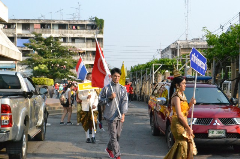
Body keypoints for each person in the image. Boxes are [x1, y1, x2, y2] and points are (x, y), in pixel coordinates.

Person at [164, 72, 197, 159]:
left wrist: (190, 104)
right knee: (182, 144)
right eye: (183, 83)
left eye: (185, 83)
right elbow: (179, 115)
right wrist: (188, 128)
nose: (185, 85)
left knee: (184, 146)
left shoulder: (182, 95)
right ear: (177, 85)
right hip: (178, 123)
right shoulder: (176, 97)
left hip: (183, 121)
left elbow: (184, 111)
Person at [99, 67, 128, 159]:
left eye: (118, 76)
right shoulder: (106, 89)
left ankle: (109, 148)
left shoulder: (123, 89)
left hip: (119, 116)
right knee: (114, 137)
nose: (117, 78)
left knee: (117, 136)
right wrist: (109, 98)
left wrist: (123, 115)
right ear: (111, 76)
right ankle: (117, 155)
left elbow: (125, 102)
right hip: (110, 116)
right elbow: (100, 101)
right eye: (115, 76)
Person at [78, 73, 98, 143]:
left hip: (93, 107)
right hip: (85, 107)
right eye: (89, 77)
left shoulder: (94, 86)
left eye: (92, 77)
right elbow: (80, 96)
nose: (90, 79)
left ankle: (93, 136)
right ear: (87, 77)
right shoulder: (82, 86)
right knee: (85, 122)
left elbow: (96, 97)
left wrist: (95, 104)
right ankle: (87, 137)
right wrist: (86, 97)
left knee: (93, 122)